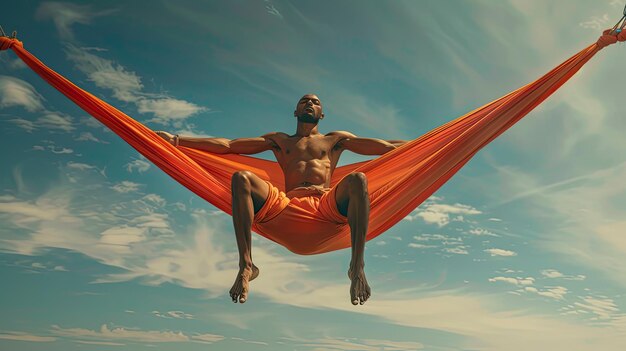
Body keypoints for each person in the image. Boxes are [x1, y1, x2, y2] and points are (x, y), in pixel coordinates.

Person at [157, 94, 407, 305]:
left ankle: (357, 266)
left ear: (322, 115)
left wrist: (438, 143)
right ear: (295, 111)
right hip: (287, 205)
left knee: (358, 179)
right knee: (241, 178)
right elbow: (228, 145)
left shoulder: (335, 140)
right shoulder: (279, 141)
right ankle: (246, 265)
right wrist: (177, 140)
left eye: (316, 102)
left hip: (325, 205)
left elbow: (387, 147)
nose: (310, 103)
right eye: (304, 101)